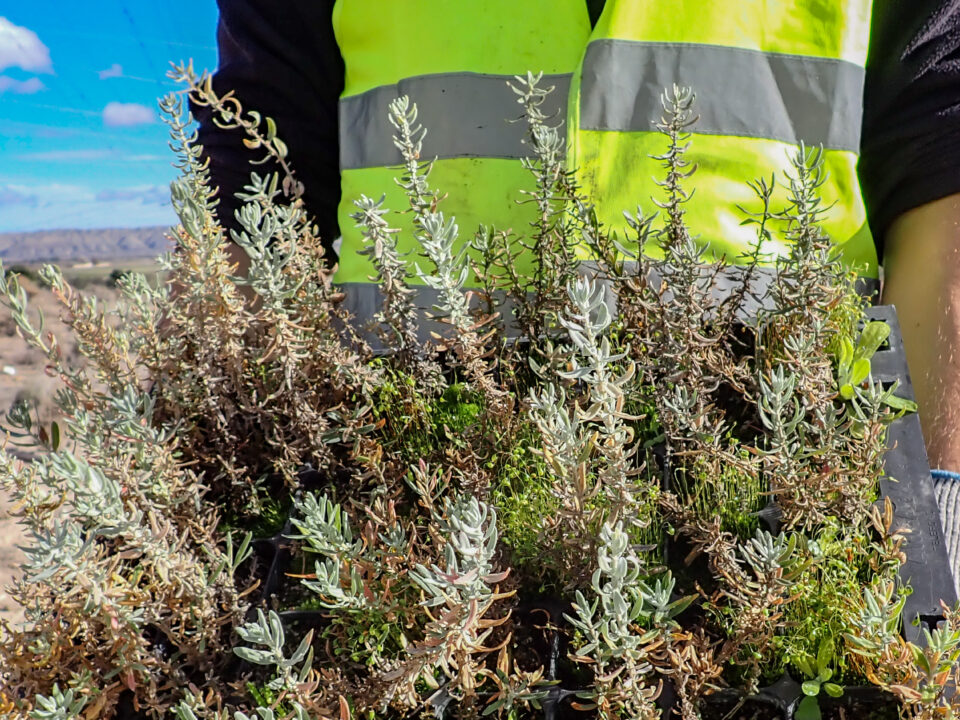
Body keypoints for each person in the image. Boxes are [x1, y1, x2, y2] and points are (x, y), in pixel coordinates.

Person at [195, 1, 960, 476]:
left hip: (783, 484)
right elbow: (258, 179)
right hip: (415, 487)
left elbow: (941, 161)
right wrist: (223, 478)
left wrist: (938, 521)